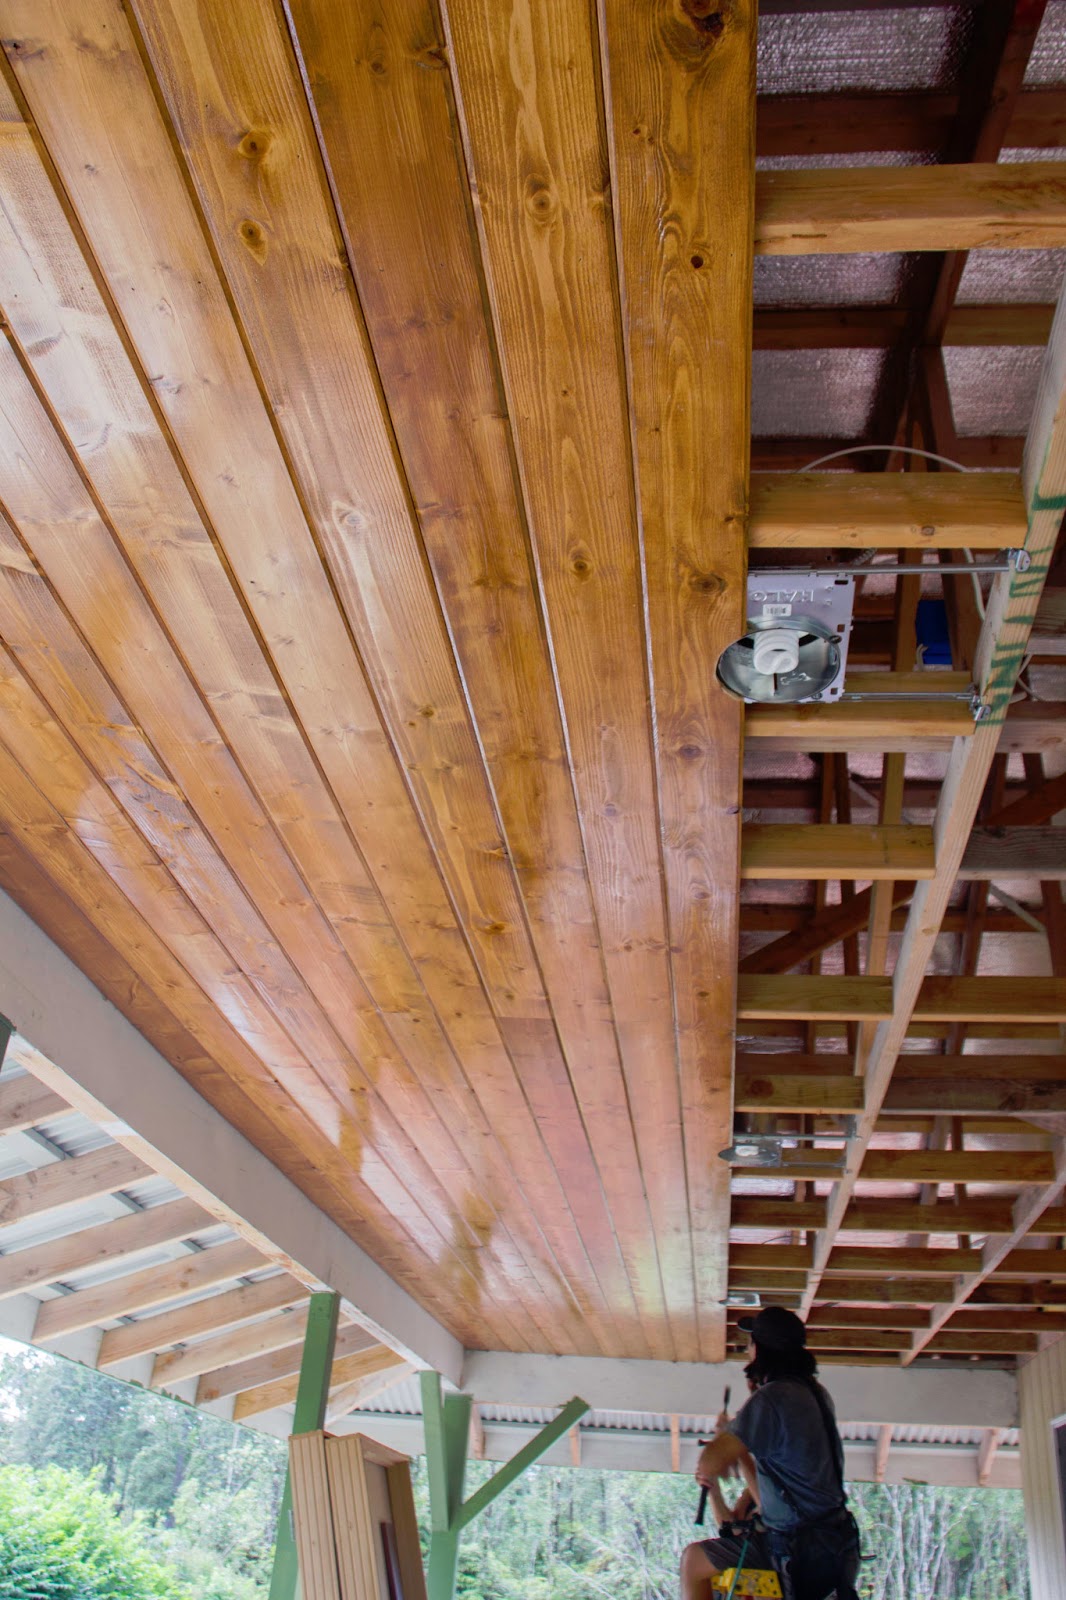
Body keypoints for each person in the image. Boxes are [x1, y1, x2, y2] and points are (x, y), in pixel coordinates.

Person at [680, 1307, 860, 1600]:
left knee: (694, 1561)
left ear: (760, 1349)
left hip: (795, 1548)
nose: (747, 1350)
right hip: (833, 1542)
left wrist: (723, 1441)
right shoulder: (815, 1393)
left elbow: (710, 1462)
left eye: (751, 1343)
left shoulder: (774, 1397)